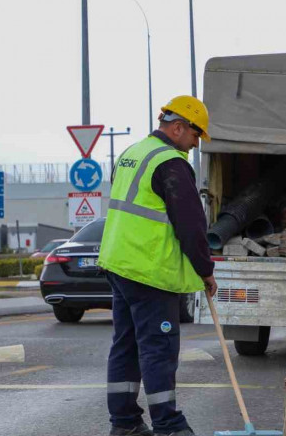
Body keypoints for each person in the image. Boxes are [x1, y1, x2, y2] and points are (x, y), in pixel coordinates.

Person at [98, 95, 218, 436]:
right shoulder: (170, 163)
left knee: (126, 345)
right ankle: (169, 425)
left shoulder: (132, 154)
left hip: (120, 266)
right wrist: (205, 269)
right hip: (149, 271)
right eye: (195, 136)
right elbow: (191, 224)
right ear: (178, 127)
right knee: (158, 349)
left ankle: (124, 423)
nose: (195, 144)